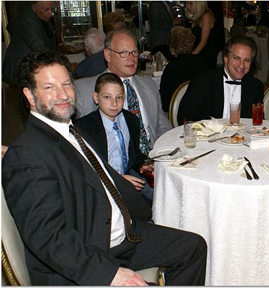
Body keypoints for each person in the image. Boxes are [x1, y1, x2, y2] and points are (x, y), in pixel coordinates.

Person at [2, 50, 207, 286]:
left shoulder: (70, 130)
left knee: (194, 247)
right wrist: (109, 274)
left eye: (67, 84)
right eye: (49, 88)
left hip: (120, 233)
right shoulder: (27, 154)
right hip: (92, 249)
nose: (63, 95)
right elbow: (48, 237)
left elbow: (99, 174)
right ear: (29, 95)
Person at [74, 29, 172, 155]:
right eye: (124, 53)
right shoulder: (85, 90)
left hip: (154, 158)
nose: (132, 59)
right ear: (108, 55)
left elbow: (163, 127)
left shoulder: (150, 85)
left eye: (134, 52)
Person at [74, 73, 154, 205]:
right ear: (95, 98)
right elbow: (84, 168)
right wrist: (117, 179)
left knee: (160, 195)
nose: (114, 103)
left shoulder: (131, 120)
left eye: (119, 97)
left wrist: (144, 164)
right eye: (107, 97)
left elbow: (133, 153)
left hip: (128, 176)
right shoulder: (84, 128)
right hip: (102, 184)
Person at [178, 35, 263, 123]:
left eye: (247, 60)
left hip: (242, 136)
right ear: (226, 58)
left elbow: (258, 123)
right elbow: (186, 117)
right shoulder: (203, 81)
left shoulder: (255, 86)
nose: (241, 65)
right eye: (236, 58)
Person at [3, 1, 56, 85]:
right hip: (20, 67)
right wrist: (58, 62)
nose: (50, 13)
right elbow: (38, 46)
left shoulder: (41, 15)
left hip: (31, 64)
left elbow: (49, 40)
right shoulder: (27, 20)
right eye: (46, 10)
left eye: (52, 9)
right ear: (35, 7)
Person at [159, 26, 207, 112]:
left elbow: (165, 102)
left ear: (172, 49)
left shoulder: (171, 67)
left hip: (177, 112)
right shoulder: (201, 63)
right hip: (200, 110)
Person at [185, 1, 218, 70]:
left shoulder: (206, 16)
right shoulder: (197, 17)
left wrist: (191, 57)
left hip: (205, 55)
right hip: (199, 54)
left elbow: (203, 41)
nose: (188, 6)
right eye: (187, 3)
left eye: (190, 3)